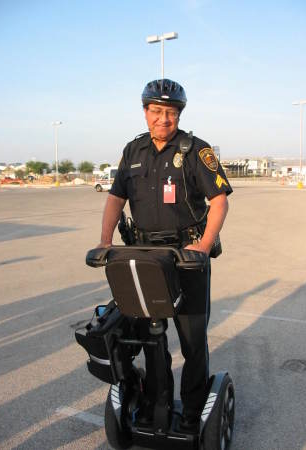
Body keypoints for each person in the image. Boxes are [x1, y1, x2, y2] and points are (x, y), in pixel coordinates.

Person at [98, 78, 232, 431]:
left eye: (170, 112)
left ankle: (191, 410)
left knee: (192, 340)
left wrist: (203, 246)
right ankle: (154, 405)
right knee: (149, 337)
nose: (163, 119)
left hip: (185, 258)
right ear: (145, 112)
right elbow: (115, 198)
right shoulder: (133, 151)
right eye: (156, 111)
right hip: (143, 258)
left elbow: (219, 201)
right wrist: (104, 240)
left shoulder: (195, 150)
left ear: (178, 115)